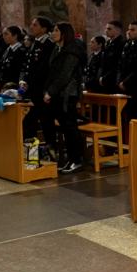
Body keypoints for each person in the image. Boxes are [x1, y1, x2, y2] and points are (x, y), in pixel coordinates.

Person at [44, 23, 86, 174]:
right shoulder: (58, 49)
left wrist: (51, 92)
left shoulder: (72, 51)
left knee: (70, 127)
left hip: (68, 94)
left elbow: (65, 75)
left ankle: (77, 160)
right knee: (65, 127)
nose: (52, 33)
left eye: (56, 30)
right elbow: (52, 72)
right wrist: (47, 91)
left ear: (64, 33)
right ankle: (72, 159)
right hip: (58, 94)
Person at [20, 17, 56, 143]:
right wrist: (24, 80)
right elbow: (28, 65)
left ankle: (51, 150)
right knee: (32, 123)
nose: (32, 27)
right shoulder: (36, 42)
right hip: (34, 89)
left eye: (35, 25)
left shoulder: (49, 44)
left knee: (46, 122)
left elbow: (46, 69)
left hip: (43, 89)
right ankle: (34, 154)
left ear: (44, 28)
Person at [0, 26, 26, 92]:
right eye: (3, 34)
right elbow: (2, 68)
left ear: (15, 36)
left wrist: (20, 86)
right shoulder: (7, 50)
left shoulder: (21, 50)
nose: (4, 37)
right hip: (4, 85)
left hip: (14, 86)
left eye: (6, 34)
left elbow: (22, 70)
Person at [100, 21, 125, 93]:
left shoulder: (121, 44)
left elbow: (117, 64)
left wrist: (106, 77)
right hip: (104, 79)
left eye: (109, 29)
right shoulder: (108, 43)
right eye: (106, 28)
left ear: (117, 30)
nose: (106, 31)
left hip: (114, 80)